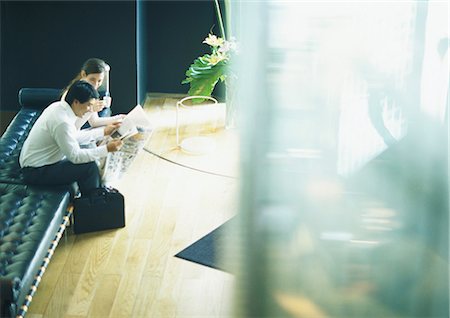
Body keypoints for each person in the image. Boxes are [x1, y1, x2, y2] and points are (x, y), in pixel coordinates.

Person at [19, 80, 123, 196]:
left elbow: (73, 136)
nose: (90, 109)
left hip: (38, 165)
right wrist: (106, 149)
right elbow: (75, 157)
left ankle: (97, 194)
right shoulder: (62, 122)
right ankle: (94, 204)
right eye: (88, 105)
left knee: (88, 150)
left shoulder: (59, 107)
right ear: (76, 102)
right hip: (36, 172)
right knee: (89, 167)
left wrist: (103, 131)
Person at [63, 58, 125, 129]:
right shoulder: (72, 93)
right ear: (83, 74)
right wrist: (91, 109)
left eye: (99, 81)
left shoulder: (91, 92)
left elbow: (94, 122)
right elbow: (72, 127)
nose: (95, 85)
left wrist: (120, 118)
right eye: (92, 79)